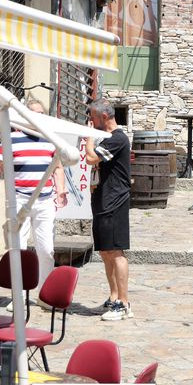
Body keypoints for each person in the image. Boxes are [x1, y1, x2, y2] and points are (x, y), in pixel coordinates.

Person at [0, 98, 67, 294]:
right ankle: (19, 296)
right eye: (35, 114)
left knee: (46, 250)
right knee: (18, 251)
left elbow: (58, 168)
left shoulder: (51, 140)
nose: (39, 118)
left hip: (44, 201)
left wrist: (61, 191)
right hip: (19, 201)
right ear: (25, 116)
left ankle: (45, 293)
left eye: (42, 114)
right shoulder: (11, 139)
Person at [84, 99, 133, 321]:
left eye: (93, 117)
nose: (91, 121)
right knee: (105, 252)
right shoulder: (108, 139)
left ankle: (124, 304)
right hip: (102, 200)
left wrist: (89, 136)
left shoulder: (118, 138)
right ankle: (113, 298)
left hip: (115, 201)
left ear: (104, 117)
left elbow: (90, 158)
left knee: (117, 252)